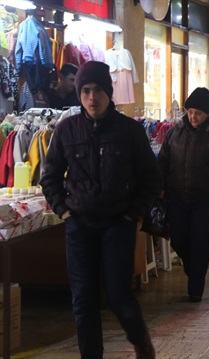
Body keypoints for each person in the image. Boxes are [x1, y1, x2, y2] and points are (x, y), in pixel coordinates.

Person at [40, 61, 160, 358]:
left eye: (97, 90)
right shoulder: (67, 129)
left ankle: (141, 341)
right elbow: (50, 176)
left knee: (119, 296)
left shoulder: (129, 131)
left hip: (117, 224)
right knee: (84, 300)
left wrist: (133, 213)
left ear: (108, 92)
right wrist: (64, 211)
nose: (91, 97)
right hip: (79, 225)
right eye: (85, 91)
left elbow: (151, 178)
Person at [158, 87, 209, 303]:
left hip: (207, 199)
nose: (194, 117)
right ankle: (193, 269)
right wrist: (158, 186)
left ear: (208, 114)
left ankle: (196, 286)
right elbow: (163, 161)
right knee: (178, 239)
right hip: (177, 196)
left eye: (199, 113)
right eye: (191, 112)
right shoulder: (174, 132)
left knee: (200, 243)